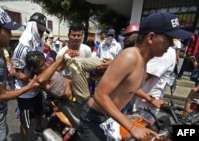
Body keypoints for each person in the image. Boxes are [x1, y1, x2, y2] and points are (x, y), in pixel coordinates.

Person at [80, 12, 192, 141]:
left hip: (109, 116)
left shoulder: (143, 61)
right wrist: (132, 128)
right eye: (168, 38)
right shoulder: (130, 56)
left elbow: (129, 88)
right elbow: (100, 95)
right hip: (94, 118)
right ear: (151, 37)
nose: (171, 44)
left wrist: (142, 114)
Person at [0, 6, 39, 141]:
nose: (11, 34)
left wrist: (11, 76)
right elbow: (1, 96)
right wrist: (29, 86)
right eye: (7, 30)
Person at [11, 12, 50, 141]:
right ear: (32, 26)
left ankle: (39, 129)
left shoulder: (38, 42)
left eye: (43, 31)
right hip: (25, 92)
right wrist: (32, 82)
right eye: (39, 30)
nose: (41, 34)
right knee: (25, 122)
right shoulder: (22, 47)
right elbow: (18, 74)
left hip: (36, 88)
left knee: (39, 111)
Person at [25, 50, 107, 104]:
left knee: (79, 61)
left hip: (79, 87)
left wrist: (68, 56)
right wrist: (61, 58)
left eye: (45, 61)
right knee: (77, 64)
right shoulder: (38, 79)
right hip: (77, 97)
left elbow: (60, 68)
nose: (46, 64)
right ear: (35, 70)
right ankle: (112, 66)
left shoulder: (49, 70)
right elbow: (41, 80)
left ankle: (106, 64)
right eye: (42, 65)